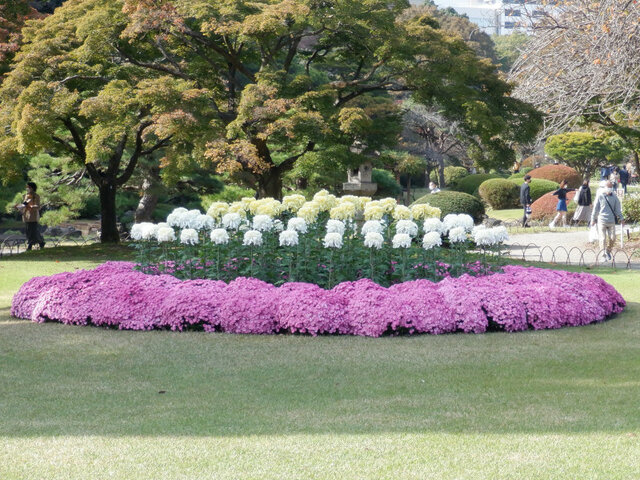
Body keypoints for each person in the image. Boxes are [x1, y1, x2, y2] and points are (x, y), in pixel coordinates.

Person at [591, 180, 623, 261]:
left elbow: (618, 209)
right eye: (607, 187)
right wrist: (593, 219)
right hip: (601, 220)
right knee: (602, 239)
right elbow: (596, 209)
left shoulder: (614, 197)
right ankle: (603, 255)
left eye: (610, 187)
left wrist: (622, 218)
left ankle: (608, 251)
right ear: (604, 187)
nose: (609, 188)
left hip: (611, 220)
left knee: (613, 238)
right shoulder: (600, 196)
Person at [14, 182, 45, 250]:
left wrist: (30, 206)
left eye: (28, 187)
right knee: (30, 231)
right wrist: (18, 207)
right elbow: (24, 205)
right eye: (27, 187)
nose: (27, 188)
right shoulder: (26, 196)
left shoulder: (36, 196)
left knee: (32, 231)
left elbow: (38, 206)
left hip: (33, 216)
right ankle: (41, 242)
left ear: (32, 188)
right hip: (27, 217)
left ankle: (30, 245)